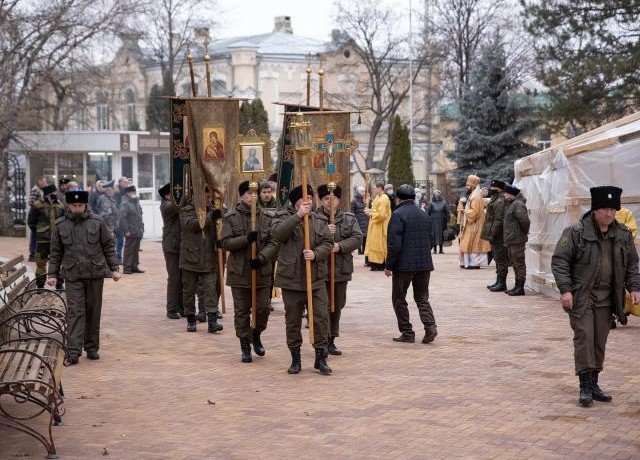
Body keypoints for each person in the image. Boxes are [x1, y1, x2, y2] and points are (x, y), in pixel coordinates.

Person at [551, 186, 640, 407]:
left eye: (612, 209)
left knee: (599, 341)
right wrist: (566, 289)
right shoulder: (576, 232)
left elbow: (632, 264)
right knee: (584, 337)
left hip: (608, 298)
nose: (609, 214)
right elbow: (560, 261)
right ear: (594, 210)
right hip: (582, 295)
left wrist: (635, 288)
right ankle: (585, 386)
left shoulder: (622, 234)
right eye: (604, 209)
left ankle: (594, 382)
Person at [47, 190, 121, 364]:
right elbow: (55, 252)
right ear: (68, 205)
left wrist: (114, 268)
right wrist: (52, 274)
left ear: (85, 205)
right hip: (73, 275)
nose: (77, 208)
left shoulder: (97, 222)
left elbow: (108, 245)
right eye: (74, 205)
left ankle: (92, 347)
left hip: (95, 274)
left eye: (80, 205)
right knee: (76, 312)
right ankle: (73, 350)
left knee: (93, 311)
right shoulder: (60, 225)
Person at [272, 185, 333, 375]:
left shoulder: (319, 220)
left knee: (320, 318)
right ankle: (295, 358)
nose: (309, 201)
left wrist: (315, 254)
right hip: (291, 280)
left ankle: (320, 358)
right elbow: (278, 234)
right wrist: (297, 216)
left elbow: (328, 242)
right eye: (304, 198)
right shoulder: (283, 217)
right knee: (292, 321)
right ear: (295, 201)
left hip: (315, 278)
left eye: (311, 197)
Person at [222, 181, 280, 363]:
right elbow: (225, 242)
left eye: (255, 193)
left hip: (261, 271)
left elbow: (274, 242)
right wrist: (245, 240)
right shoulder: (231, 218)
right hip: (239, 272)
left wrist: (262, 258)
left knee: (263, 308)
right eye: (248, 193)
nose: (252, 197)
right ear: (241, 196)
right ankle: (245, 344)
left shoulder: (267, 218)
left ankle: (256, 333)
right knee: (241, 311)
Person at [385, 185, 438, 344]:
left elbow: (394, 244)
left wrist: (389, 265)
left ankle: (407, 332)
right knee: (422, 297)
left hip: (404, 266)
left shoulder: (397, 215)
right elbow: (432, 240)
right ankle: (430, 327)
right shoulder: (423, 214)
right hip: (424, 264)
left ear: (398, 198)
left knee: (399, 298)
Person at [315, 184, 362, 355]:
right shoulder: (314, 218)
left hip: (341, 269)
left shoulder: (349, 218)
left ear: (338, 200)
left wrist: (339, 246)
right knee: (323, 307)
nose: (329, 202)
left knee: (337, 305)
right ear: (321, 201)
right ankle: (322, 339)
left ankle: (332, 339)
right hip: (320, 270)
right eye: (326, 199)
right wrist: (325, 233)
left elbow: (357, 238)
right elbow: (308, 240)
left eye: (333, 198)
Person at [179, 186, 223, 333]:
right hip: (190, 258)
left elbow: (221, 230)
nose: (209, 199)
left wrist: (221, 236)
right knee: (189, 291)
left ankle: (212, 321)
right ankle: (191, 319)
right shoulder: (186, 211)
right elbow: (192, 225)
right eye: (207, 196)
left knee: (211, 290)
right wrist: (211, 217)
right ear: (198, 196)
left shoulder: (213, 210)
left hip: (209, 257)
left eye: (210, 197)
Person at [27, 183, 65, 289]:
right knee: (41, 264)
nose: (55, 194)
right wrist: (40, 232)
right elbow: (31, 222)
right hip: (42, 241)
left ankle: (59, 284)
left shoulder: (60, 205)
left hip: (57, 241)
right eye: (53, 193)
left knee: (58, 263)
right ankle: (40, 286)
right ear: (48, 193)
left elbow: (63, 220)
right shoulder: (38, 205)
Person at [159, 183, 183, 320]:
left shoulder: (172, 204)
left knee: (182, 278)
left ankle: (182, 307)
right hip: (171, 246)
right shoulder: (166, 205)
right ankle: (172, 309)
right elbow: (177, 206)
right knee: (174, 278)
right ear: (167, 195)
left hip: (179, 244)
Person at [458, 174, 491, 269]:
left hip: (474, 224)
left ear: (473, 185)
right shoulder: (473, 194)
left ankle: (474, 263)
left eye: (468, 185)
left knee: (472, 243)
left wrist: (465, 208)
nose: (466, 187)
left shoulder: (475, 196)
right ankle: (468, 262)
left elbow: (475, 213)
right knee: (467, 242)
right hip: (470, 224)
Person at [502, 184, 530, 296]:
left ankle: (520, 287)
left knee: (519, 264)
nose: (504, 195)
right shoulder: (512, 204)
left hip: (517, 240)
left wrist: (522, 233)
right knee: (514, 263)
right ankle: (517, 286)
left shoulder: (518, 204)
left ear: (511, 194)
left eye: (505, 193)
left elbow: (525, 221)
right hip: (511, 240)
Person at [481, 180, 508, 292]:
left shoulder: (500, 200)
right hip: (494, 233)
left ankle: (502, 283)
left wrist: (493, 234)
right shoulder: (496, 198)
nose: (491, 189)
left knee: (500, 258)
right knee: (497, 257)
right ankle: (499, 281)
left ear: (499, 189)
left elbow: (498, 219)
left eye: (493, 187)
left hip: (498, 234)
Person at [364, 182, 392, 271]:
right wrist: (369, 210)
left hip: (381, 225)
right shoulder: (377, 197)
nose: (374, 190)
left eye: (375, 188)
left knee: (380, 245)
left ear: (380, 188)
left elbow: (382, 214)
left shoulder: (384, 198)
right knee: (373, 244)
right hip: (375, 225)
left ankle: (381, 263)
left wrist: (371, 214)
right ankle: (374, 263)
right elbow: (374, 209)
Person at [119, 185, 144, 274]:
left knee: (135, 249)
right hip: (130, 230)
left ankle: (134, 266)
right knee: (129, 250)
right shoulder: (125, 203)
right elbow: (122, 218)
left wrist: (142, 228)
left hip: (137, 230)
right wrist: (126, 231)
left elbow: (139, 216)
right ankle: (127, 268)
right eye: (132, 192)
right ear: (128, 193)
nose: (134, 193)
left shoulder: (135, 201)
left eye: (134, 192)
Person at [28, 177, 47, 261]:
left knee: (38, 237)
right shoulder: (36, 189)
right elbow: (31, 202)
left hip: (39, 216)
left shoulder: (42, 189)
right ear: (39, 181)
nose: (45, 183)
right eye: (44, 181)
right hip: (36, 216)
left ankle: (36, 254)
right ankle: (32, 255)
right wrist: (39, 206)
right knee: (34, 237)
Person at [426, 190, 450, 254]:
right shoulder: (431, 203)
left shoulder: (444, 203)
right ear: (434, 195)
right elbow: (428, 213)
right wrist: (427, 221)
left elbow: (447, 212)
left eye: (438, 194)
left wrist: (448, 222)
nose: (437, 196)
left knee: (441, 235)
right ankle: (435, 249)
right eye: (436, 194)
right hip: (433, 222)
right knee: (433, 235)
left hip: (442, 222)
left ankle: (441, 249)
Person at [114, 177, 129, 264]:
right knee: (118, 240)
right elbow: (117, 206)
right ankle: (117, 257)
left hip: (122, 219)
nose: (126, 184)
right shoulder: (116, 192)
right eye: (125, 182)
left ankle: (118, 257)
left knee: (121, 240)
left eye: (127, 182)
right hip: (117, 220)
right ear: (120, 183)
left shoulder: (125, 192)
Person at [350, 186, 369, 257]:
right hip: (358, 220)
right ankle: (359, 249)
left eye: (364, 191)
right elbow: (352, 211)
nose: (364, 193)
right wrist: (354, 220)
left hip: (365, 220)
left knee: (365, 236)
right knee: (360, 235)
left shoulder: (364, 200)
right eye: (362, 191)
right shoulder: (354, 201)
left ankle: (364, 249)